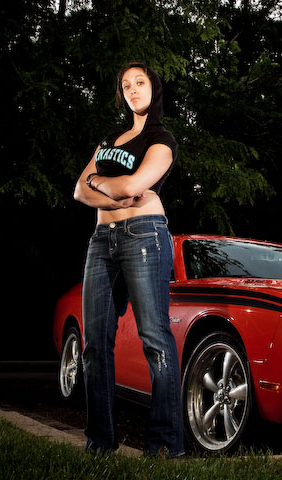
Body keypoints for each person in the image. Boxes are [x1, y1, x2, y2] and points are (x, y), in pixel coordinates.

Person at [73, 62, 184, 457]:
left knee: (155, 339)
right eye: (126, 85)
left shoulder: (162, 138)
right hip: (101, 239)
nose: (132, 90)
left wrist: (99, 181)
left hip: (144, 236)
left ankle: (166, 447)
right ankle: (100, 443)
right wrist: (110, 189)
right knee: (94, 344)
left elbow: (136, 186)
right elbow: (78, 192)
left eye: (140, 83)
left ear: (153, 88)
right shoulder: (109, 139)